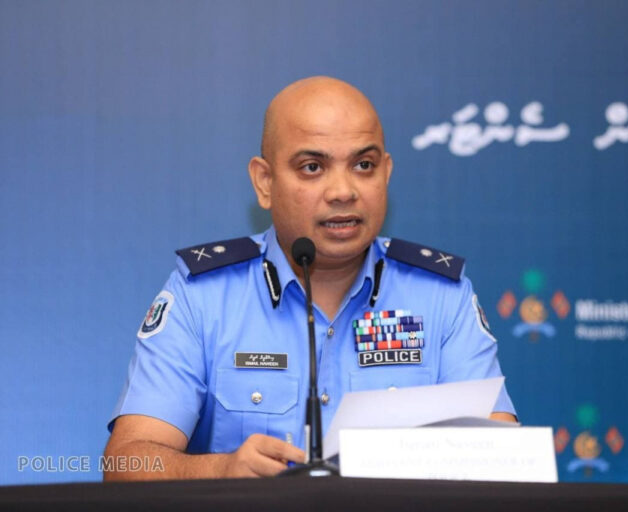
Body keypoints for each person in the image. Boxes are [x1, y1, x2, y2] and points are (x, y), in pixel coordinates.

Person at [104, 76, 517, 480]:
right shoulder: (204, 296)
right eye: (312, 167)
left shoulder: (441, 296)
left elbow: (504, 460)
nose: (343, 191)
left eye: (364, 165)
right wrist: (222, 471)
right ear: (265, 182)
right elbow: (126, 463)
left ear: (386, 173)